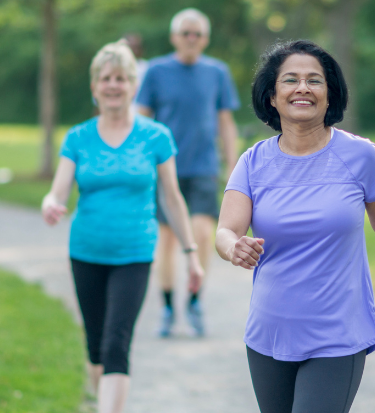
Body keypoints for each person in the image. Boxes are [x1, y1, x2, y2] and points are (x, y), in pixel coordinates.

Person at [215, 40, 375, 413]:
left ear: (330, 96)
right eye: (290, 80)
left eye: (315, 81)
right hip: (269, 334)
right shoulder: (253, 161)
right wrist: (233, 247)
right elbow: (225, 231)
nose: (303, 88)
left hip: (338, 334)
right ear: (272, 97)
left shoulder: (361, 157)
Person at [41, 41, 203, 413]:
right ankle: (100, 402)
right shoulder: (78, 137)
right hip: (86, 251)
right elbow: (58, 190)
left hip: (134, 252)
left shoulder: (156, 136)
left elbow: (172, 198)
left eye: (121, 78)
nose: (113, 85)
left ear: (132, 85)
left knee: (117, 343)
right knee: (96, 348)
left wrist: (191, 254)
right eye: (105, 78)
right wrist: (51, 204)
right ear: (94, 86)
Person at [136, 7, 240, 337]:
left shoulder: (217, 72)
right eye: (185, 33)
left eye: (197, 34)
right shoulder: (156, 71)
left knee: (201, 234)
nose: (191, 39)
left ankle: (195, 298)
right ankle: (167, 306)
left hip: (204, 167)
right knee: (166, 239)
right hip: (165, 169)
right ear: (174, 37)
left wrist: (233, 166)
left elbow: (225, 121)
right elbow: (142, 118)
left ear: (205, 39)